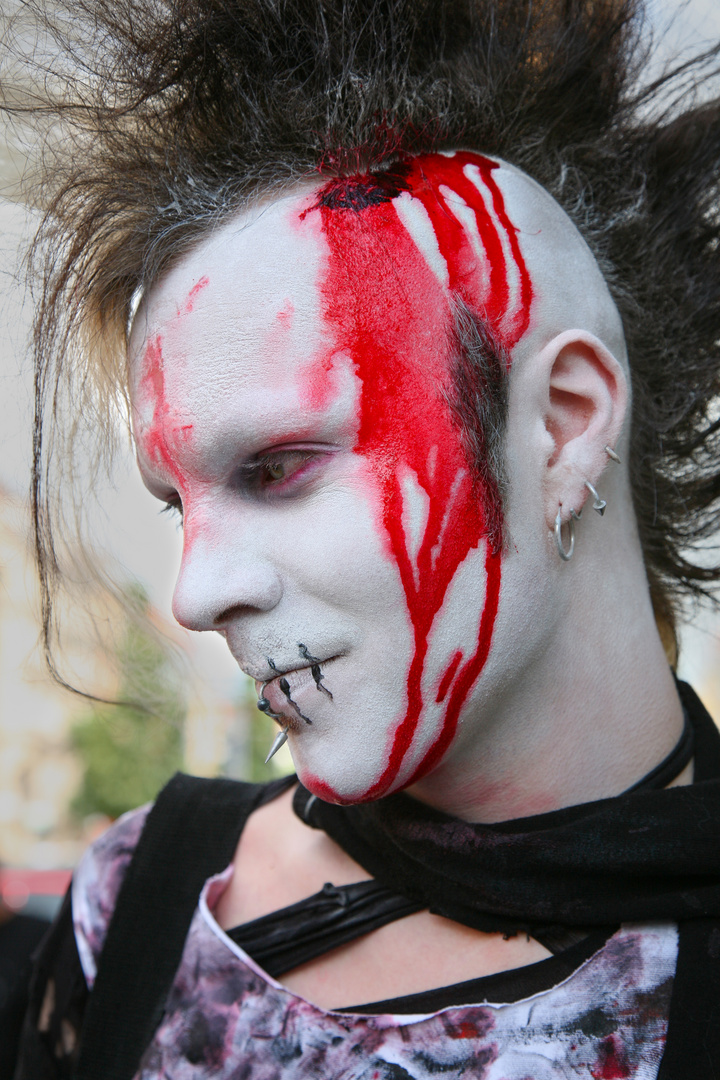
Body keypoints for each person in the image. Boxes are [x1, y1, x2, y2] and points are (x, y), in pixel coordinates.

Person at [8, 0, 720, 1075]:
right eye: (178, 504)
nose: (195, 594)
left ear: (566, 426)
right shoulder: (140, 899)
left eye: (280, 468)